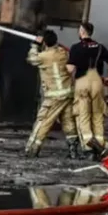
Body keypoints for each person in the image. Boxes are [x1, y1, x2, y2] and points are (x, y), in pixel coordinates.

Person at [65, 22, 108, 160]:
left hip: (82, 82)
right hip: (97, 82)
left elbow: (70, 69)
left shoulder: (75, 48)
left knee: (83, 116)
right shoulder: (100, 47)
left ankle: (89, 149)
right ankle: (100, 146)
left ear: (82, 31)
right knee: (97, 115)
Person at [24, 29, 80, 158]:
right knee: (68, 121)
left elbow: (31, 59)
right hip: (68, 94)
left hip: (55, 96)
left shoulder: (44, 56)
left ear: (44, 42)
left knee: (43, 121)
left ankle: (32, 148)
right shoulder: (63, 53)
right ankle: (73, 151)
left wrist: (34, 45)